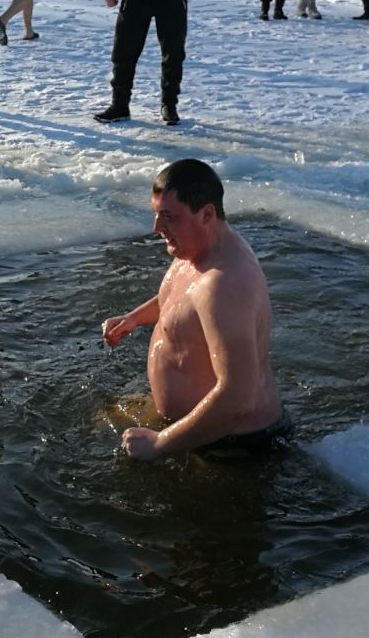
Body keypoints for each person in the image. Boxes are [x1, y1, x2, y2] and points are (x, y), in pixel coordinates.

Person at [101, 160, 285, 460]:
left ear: (207, 214)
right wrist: (134, 318)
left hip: (232, 445)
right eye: (156, 214)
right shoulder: (196, 250)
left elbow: (238, 397)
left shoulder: (225, 284)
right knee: (97, 419)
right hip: (195, 429)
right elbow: (178, 299)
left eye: (168, 217)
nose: (156, 228)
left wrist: (160, 444)